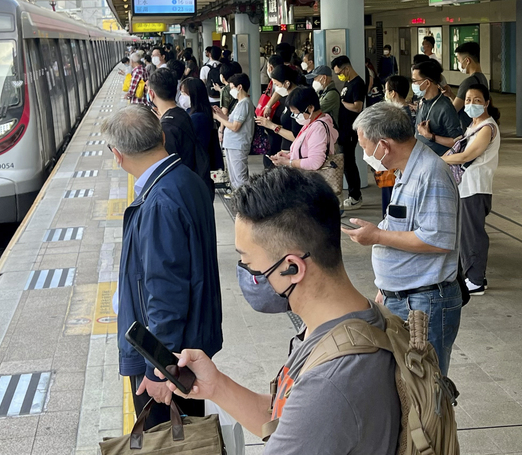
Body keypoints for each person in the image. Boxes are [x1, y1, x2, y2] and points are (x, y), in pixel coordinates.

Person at [156, 168, 400, 455]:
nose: (246, 274)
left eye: (247, 261)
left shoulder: (329, 382)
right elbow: (286, 420)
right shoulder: (359, 320)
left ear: (292, 268)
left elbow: (311, 410)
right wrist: (216, 385)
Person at [101, 105, 223, 429]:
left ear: (118, 155)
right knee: (188, 439)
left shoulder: (159, 203)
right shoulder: (188, 181)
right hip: (189, 347)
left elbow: (165, 291)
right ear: (162, 136)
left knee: (165, 441)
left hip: (165, 357)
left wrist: (158, 370)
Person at [343, 103, 461, 376]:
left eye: (365, 147)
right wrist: (386, 289)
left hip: (424, 302)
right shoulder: (406, 171)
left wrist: (377, 236)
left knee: (424, 388)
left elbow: (439, 240)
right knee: (404, 386)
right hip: (404, 296)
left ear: (383, 145)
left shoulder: (430, 173)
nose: (364, 155)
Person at [442, 84, 500, 296]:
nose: (471, 104)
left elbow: (467, 155)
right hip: (466, 187)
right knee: (464, 233)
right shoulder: (473, 126)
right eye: (467, 100)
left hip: (476, 188)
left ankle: (475, 280)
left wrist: (442, 160)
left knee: (472, 234)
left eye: (477, 100)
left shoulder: (487, 127)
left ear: (486, 102)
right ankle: (470, 276)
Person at [148, 68, 212, 195]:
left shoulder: (167, 128)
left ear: (151, 94)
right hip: (194, 185)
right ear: (176, 90)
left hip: (182, 193)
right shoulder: (182, 114)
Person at [269, 86, 338, 174]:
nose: (295, 117)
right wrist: (288, 156)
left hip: (313, 181)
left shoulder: (318, 128)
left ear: (310, 108)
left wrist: (287, 163)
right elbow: (305, 152)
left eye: (296, 113)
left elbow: (314, 162)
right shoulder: (311, 123)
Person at [331, 56, 366, 210]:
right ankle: (354, 195)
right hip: (344, 129)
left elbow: (358, 107)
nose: (339, 75)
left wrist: (342, 103)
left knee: (349, 163)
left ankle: (355, 196)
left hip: (351, 129)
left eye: (340, 72)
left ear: (346, 68)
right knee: (346, 163)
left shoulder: (358, 84)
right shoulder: (348, 82)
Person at [377, 75, 413, 216]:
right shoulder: (411, 111)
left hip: (393, 164)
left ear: (393, 93)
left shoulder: (396, 116)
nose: (385, 93)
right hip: (402, 164)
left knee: (392, 202)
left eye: (386, 90)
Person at [181, 77, 223, 195]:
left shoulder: (197, 118)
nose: (182, 96)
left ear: (193, 95)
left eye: (184, 93)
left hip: (197, 167)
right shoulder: (201, 112)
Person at [413, 60, 463, 156]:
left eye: (415, 81)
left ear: (427, 83)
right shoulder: (422, 102)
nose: (413, 84)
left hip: (438, 162)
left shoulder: (445, 108)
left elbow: (457, 142)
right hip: (421, 157)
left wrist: (430, 136)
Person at [215, 72, 254, 191]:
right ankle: (239, 200)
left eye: (232, 88)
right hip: (233, 144)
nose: (231, 90)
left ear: (240, 87)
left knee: (240, 178)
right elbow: (231, 121)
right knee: (234, 177)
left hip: (238, 144)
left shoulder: (244, 104)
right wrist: (220, 114)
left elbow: (235, 126)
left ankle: (245, 202)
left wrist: (218, 118)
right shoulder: (240, 104)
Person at [452, 42, 488, 127]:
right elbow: (463, 103)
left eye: (459, 60)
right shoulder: (483, 78)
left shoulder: (468, 82)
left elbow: (453, 110)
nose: (459, 63)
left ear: (467, 60)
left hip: (468, 126)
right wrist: (450, 94)